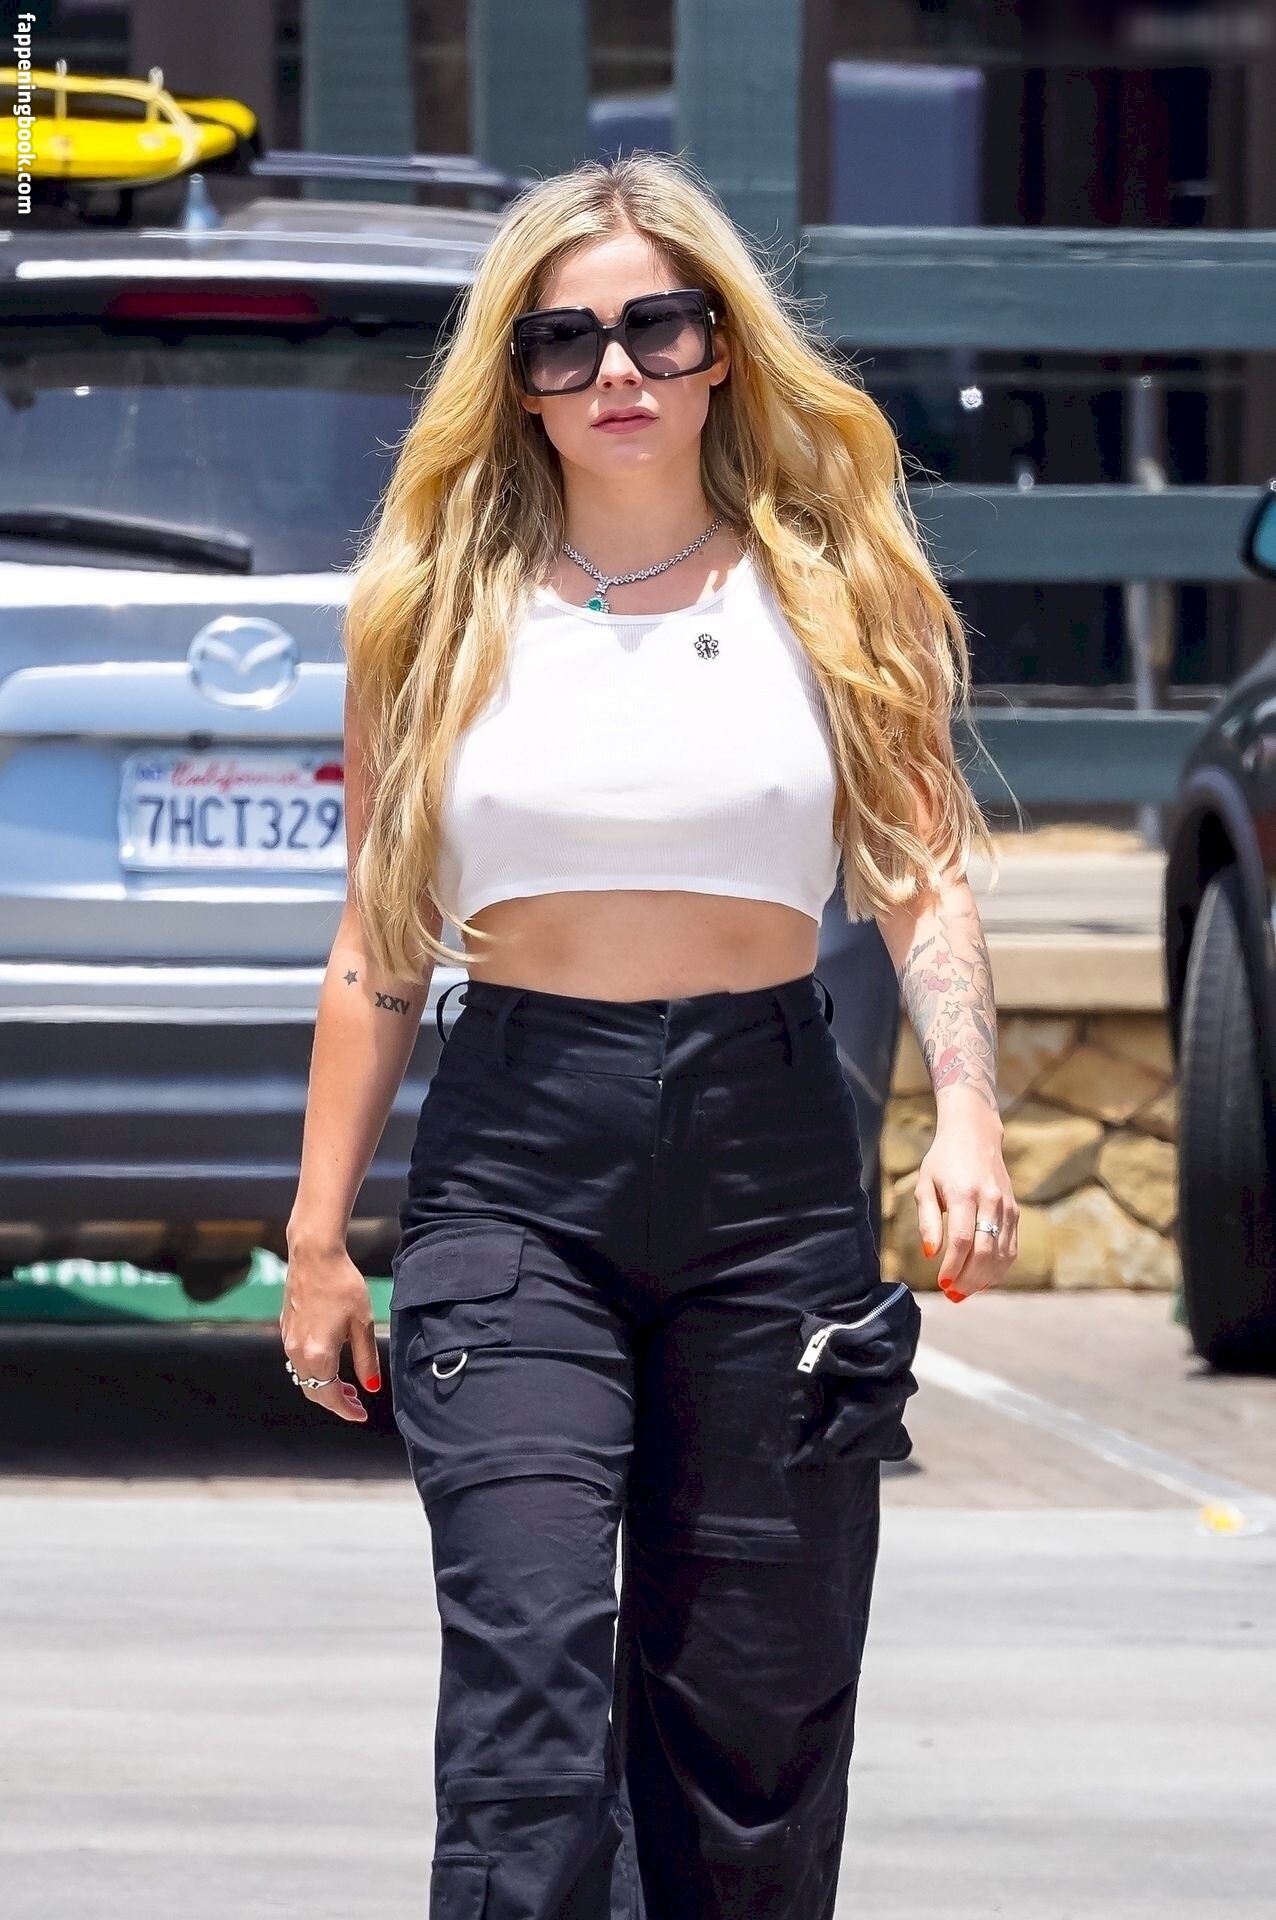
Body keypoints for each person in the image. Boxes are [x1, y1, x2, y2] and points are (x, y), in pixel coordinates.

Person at [281, 150, 1020, 1920]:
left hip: (772, 1167)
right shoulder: (429, 612)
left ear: (719, 350)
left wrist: (970, 1116)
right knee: (528, 1695)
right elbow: (378, 943)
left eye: (657, 327)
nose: (615, 369)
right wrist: (315, 1239)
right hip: (515, 1166)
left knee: (751, 1723)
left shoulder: (835, 589)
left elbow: (920, 880)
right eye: (565, 342)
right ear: (518, 378)